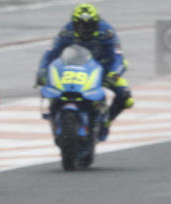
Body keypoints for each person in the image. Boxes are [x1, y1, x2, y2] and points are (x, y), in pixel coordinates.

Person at [36, 3, 132, 141]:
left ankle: (106, 121)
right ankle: (55, 118)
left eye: (89, 26)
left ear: (96, 23)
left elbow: (118, 57)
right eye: (80, 25)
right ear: (74, 23)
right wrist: (43, 71)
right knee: (54, 89)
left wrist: (114, 74)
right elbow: (51, 53)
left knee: (126, 97)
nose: (84, 30)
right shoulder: (67, 31)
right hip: (75, 68)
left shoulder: (107, 32)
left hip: (104, 70)